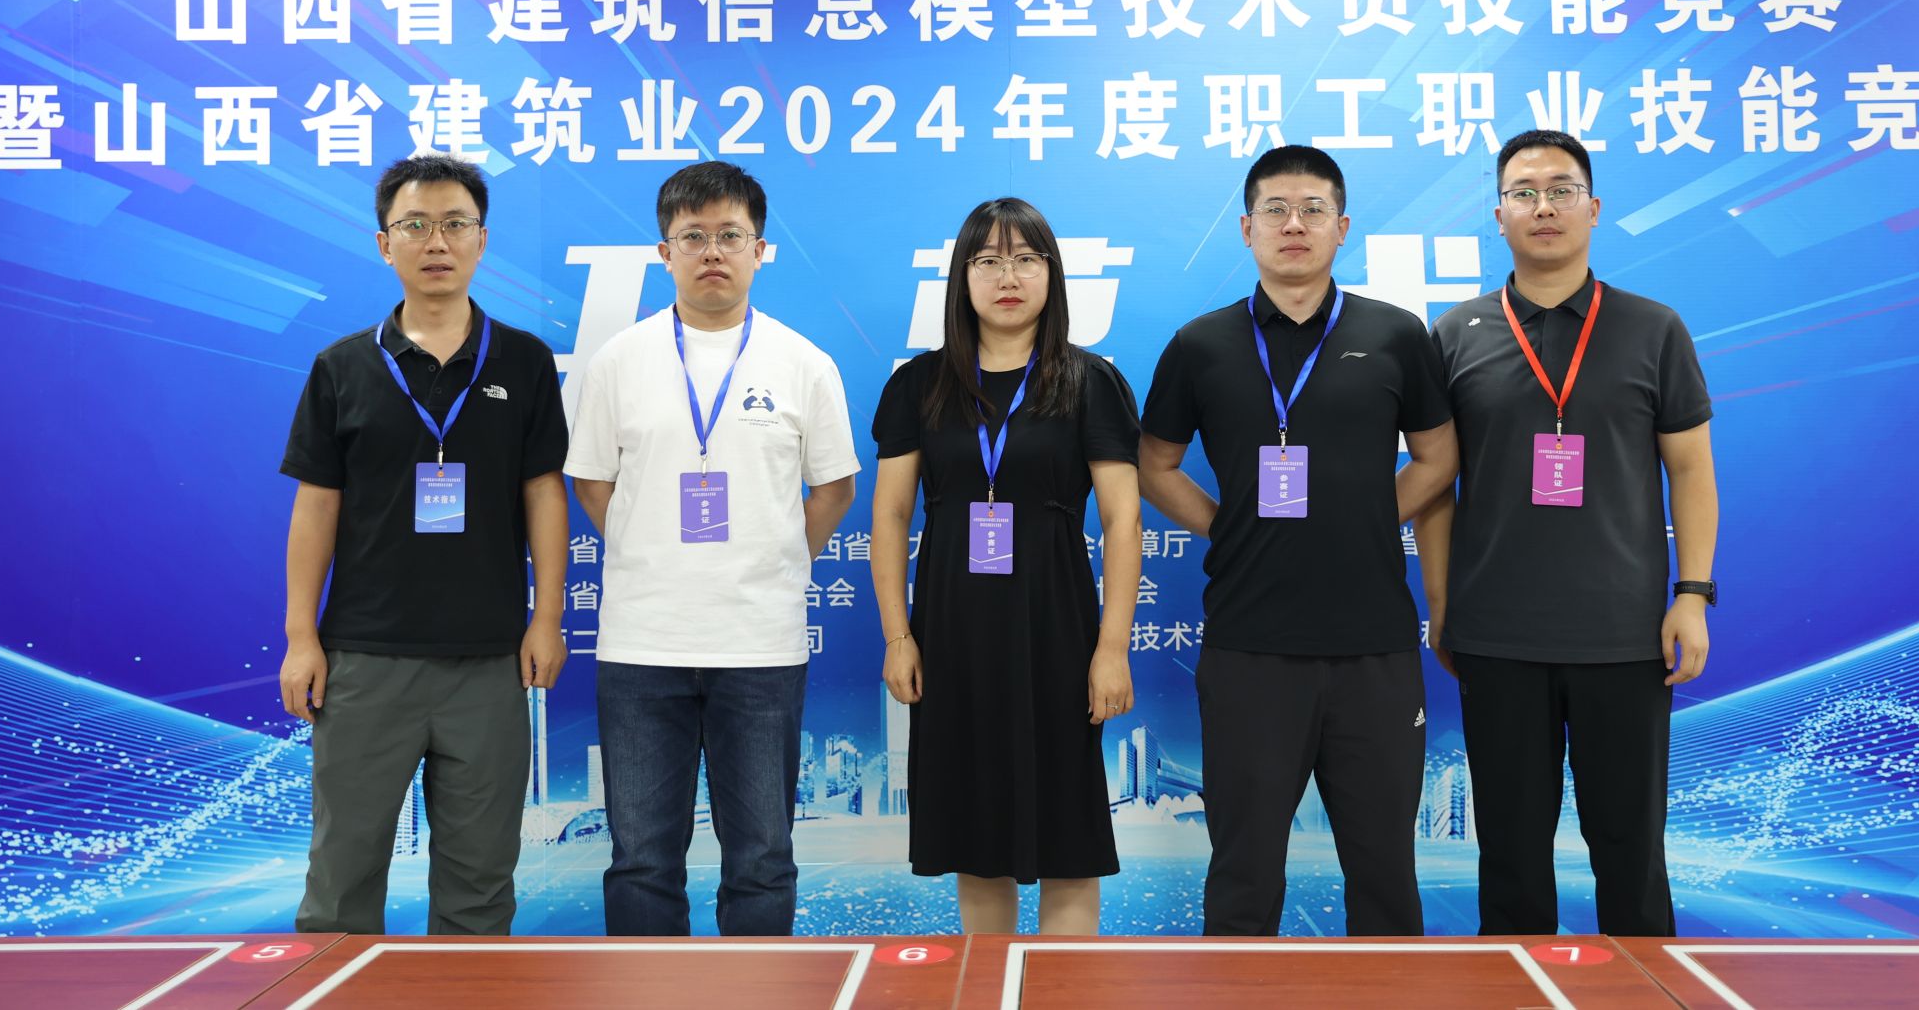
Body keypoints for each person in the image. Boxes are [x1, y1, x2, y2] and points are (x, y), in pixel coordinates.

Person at [1138, 144, 1458, 937]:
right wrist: (1227, 525)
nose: (1294, 224)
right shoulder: (1201, 343)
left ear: (1342, 227)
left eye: (1314, 209)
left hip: (1374, 649)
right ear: (1246, 228)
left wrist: (1370, 516)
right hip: (1250, 648)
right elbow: (1154, 464)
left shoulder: (1395, 334)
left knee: (1385, 875)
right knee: (1244, 874)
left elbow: (1440, 455)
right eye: (1275, 210)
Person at [1419, 129, 1717, 937]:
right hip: (1497, 634)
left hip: (1625, 634)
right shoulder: (1455, 334)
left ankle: (1645, 991)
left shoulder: (1653, 328)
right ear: (1499, 215)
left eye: (1560, 189)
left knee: (1630, 849)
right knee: (1510, 855)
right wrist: (1443, 605)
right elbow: (1435, 485)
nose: (1543, 206)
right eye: (1524, 192)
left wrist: (1692, 594)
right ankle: (1513, 991)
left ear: (1593, 207)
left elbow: (1691, 469)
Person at [279, 153, 571, 936]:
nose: (436, 241)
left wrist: (546, 618)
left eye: (454, 223)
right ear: (385, 243)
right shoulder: (342, 367)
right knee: (341, 882)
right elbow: (316, 505)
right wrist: (302, 636)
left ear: (481, 240)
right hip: (364, 659)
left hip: (489, 661)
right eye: (415, 224)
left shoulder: (524, 361)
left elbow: (544, 492)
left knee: (479, 886)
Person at [565, 161, 859, 936]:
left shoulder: (804, 363)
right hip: (641, 644)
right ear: (664, 252)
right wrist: (650, 550)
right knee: (641, 859)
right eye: (693, 236)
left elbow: (834, 487)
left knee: (761, 857)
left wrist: (777, 560)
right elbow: (592, 481)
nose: (712, 252)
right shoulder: (619, 360)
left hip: (760, 645)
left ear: (760, 249)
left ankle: (758, 991)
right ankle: (646, 991)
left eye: (730, 235)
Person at [869, 197, 1142, 934]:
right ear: (962, 278)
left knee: (1068, 839)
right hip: (952, 631)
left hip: (1057, 627)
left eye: (1026, 259)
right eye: (987, 261)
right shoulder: (919, 384)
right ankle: (992, 985)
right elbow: (890, 516)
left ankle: (1063, 988)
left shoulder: (1089, 381)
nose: (1008, 276)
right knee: (976, 837)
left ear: (1052, 274)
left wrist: (1112, 648)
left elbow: (1123, 520)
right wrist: (898, 636)